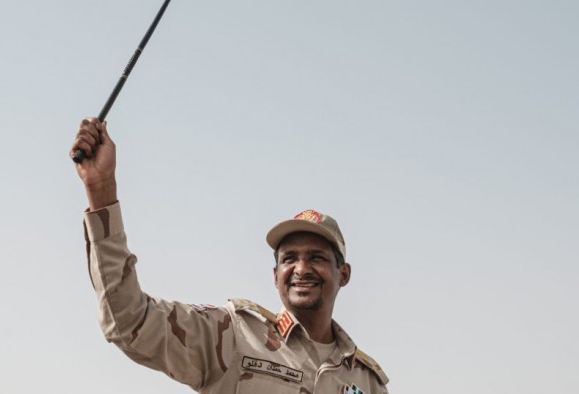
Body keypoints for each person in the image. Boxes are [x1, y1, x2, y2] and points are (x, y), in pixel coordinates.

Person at [71, 118, 389, 394]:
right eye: (289, 258)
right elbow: (129, 320)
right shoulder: (233, 335)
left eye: (317, 258)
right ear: (275, 274)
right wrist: (102, 191)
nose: (301, 268)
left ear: (343, 273)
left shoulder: (367, 381)